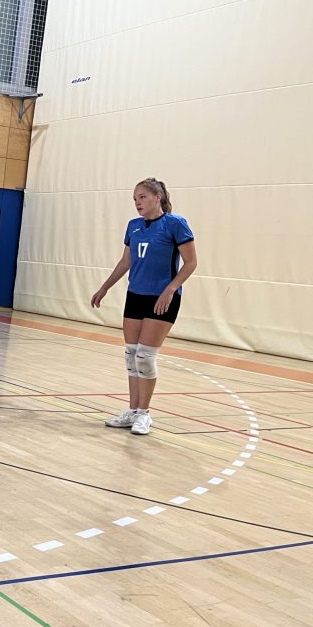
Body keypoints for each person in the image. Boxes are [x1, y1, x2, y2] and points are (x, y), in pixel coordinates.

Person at [90, 178, 198, 436]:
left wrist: (170, 289)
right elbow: (125, 262)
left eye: (142, 197)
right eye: (135, 199)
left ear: (157, 197)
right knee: (131, 355)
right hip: (135, 295)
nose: (137, 202)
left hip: (161, 298)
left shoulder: (175, 224)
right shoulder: (134, 226)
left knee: (145, 356)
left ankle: (144, 414)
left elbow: (191, 262)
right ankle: (133, 410)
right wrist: (105, 287)